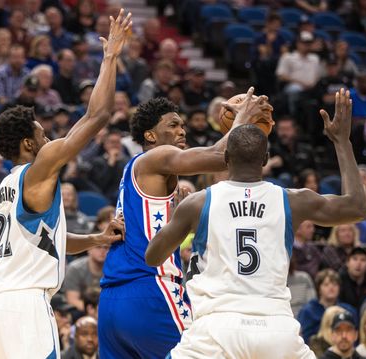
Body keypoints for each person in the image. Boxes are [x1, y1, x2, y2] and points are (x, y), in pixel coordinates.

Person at [146, 89, 366, 358]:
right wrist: (342, 141)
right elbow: (356, 207)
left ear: (225, 158)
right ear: (265, 160)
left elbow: (153, 256)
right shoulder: (293, 200)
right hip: (276, 330)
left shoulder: (199, 203)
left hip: (216, 330)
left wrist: (175, 217)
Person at [0, 10, 131, 359]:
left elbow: (47, 243)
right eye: (41, 132)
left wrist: (95, 239)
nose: (48, 135)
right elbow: (98, 116)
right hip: (28, 306)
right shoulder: (38, 169)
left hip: (1, 305)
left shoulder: (10, 184)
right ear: (28, 144)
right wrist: (109, 57)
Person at [99, 88, 272, 358]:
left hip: (112, 301)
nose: (182, 131)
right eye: (173, 125)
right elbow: (219, 157)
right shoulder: (157, 156)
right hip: (150, 289)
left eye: (183, 125)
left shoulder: (135, 169)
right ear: (150, 135)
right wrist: (243, 121)